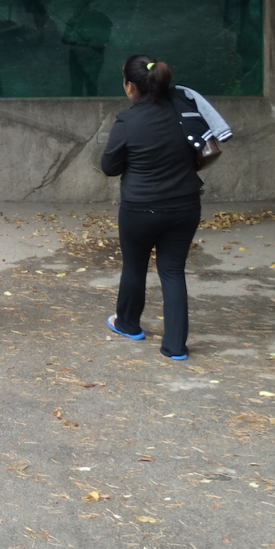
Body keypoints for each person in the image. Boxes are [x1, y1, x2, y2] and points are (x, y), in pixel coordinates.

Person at [99, 55, 203, 361]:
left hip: (140, 209)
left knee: (134, 266)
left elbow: (109, 166)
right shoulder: (184, 109)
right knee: (173, 271)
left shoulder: (128, 121)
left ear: (131, 87)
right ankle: (175, 346)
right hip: (185, 204)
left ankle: (128, 324)